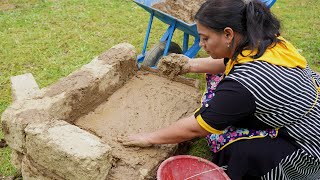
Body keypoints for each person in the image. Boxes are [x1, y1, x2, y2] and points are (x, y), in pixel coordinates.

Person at [119, 0, 320, 179]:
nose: (201, 44)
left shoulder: (245, 84)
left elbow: (197, 127)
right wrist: (188, 65)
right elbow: (228, 62)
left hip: (307, 144)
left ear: (228, 34)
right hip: (305, 103)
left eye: (205, 38)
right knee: (218, 83)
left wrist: (148, 137)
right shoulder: (261, 39)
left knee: (236, 151)